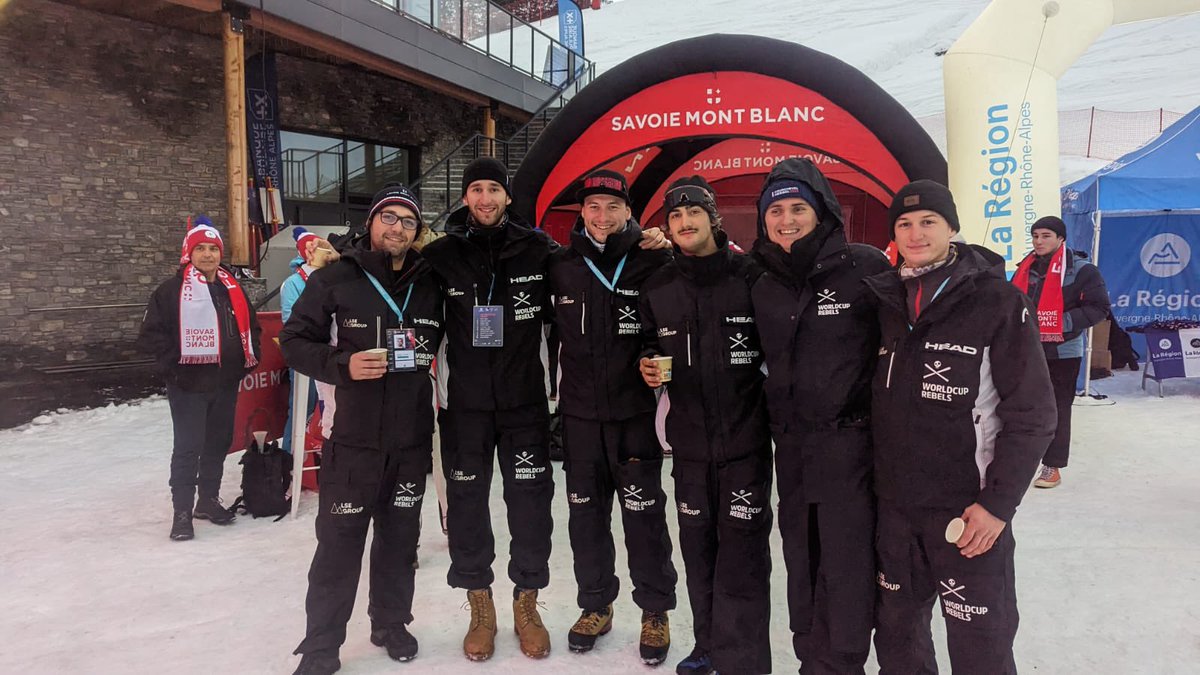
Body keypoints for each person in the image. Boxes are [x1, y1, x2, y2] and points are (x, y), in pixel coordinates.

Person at [863, 180, 1056, 675]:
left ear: (952, 227)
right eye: (904, 224)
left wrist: (997, 505)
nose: (915, 233)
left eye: (928, 221)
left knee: (980, 646)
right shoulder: (885, 299)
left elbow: (1032, 413)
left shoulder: (996, 300)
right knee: (899, 642)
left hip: (967, 512)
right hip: (896, 509)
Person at [280, 184, 445, 674]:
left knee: (400, 541)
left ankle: (390, 622)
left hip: (411, 440)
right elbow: (293, 342)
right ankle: (321, 645)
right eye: (388, 217)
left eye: (408, 221)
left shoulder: (430, 281)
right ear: (372, 224)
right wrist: (343, 364)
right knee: (338, 546)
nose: (397, 228)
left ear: (418, 232)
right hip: (351, 442)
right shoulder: (336, 277)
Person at [749, 159, 890, 674]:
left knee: (847, 566)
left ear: (822, 211)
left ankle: (844, 664)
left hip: (852, 448)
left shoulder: (866, 267)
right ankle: (812, 659)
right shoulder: (761, 281)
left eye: (798, 208)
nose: (787, 220)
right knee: (801, 562)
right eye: (776, 210)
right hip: (791, 450)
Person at [421, 157, 560, 661]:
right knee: (467, 506)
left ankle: (527, 602)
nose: (484, 198)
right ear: (464, 199)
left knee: (530, 506)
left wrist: (643, 241)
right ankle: (480, 604)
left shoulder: (540, 250)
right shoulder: (442, 254)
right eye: (476, 189)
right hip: (466, 409)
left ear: (507, 198)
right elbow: (385, 264)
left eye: (493, 190)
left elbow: (591, 274)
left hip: (524, 406)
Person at [638, 176, 773, 675]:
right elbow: (649, 342)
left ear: (712, 218)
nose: (685, 222)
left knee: (743, 556)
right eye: (675, 216)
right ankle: (708, 647)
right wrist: (649, 360)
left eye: (694, 212)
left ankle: (746, 661)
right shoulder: (660, 285)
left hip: (746, 444)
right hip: (690, 446)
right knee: (698, 551)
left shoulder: (750, 275)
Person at [548, 170, 678, 664]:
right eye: (593, 207)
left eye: (612, 207)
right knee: (585, 518)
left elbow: (666, 325)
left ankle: (655, 609)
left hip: (635, 415)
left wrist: (653, 355)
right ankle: (596, 604)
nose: (602, 217)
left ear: (629, 212)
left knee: (644, 518)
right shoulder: (560, 265)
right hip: (580, 417)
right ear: (582, 213)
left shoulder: (652, 259)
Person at [137, 216, 261, 541]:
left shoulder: (232, 289)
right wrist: (175, 368)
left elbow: (253, 327)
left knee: (218, 443)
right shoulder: (170, 291)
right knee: (188, 447)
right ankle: (181, 512)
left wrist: (246, 362)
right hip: (188, 386)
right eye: (201, 248)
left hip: (225, 383)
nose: (207, 255)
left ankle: (207, 500)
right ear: (188, 253)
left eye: (213, 249)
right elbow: (151, 337)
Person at [1012, 215, 1110, 489]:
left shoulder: (1082, 270)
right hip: (1026, 347)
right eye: (1035, 236)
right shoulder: (1025, 267)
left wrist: (1060, 322)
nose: (1039, 241)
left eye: (1045, 235)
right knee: (1022, 405)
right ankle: (1022, 458)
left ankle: (1052, 466)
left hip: (1063, 350)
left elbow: (1099, 308)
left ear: (1061, 239)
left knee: (1057, 408)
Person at [280, 226, 336, 454]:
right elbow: (290, 320)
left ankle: (319, 458)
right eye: (316, 250)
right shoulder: (292, 283)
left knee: (325, 411)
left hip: (329, 355)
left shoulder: (335, 277)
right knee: (300, 411)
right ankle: (289, 459)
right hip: (306, 358)